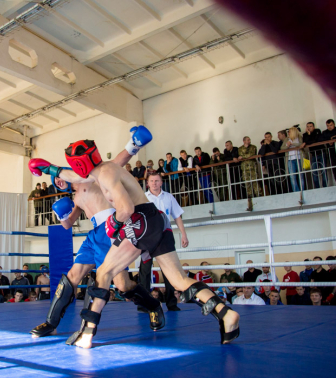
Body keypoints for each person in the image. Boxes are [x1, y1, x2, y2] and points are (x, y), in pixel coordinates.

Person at [31, 137, 239, 348]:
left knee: (104, 273)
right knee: (179, 280)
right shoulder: (97, 173)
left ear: (79, 164)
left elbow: (126, 208)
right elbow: (72, 176)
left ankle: (87, 333)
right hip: (156, 220)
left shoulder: (103, 175)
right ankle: (226, 313)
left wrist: (113, 223)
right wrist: (49, 169)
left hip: (137, 220)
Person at [30, 128, 164, 337]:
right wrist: (61, 215)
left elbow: (117, 162)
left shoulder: (92, 179)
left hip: (111, 229)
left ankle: (153, 305)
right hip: (93, 235)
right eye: (56, 181)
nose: (58, 181)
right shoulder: (76, 199)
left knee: (123, 285)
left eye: (60, 177)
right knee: (71, 277)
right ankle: (50, 323)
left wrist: (133, 146)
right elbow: (68, 225)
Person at [143, 171, 191, 312]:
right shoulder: (143, 197)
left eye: (157, 180)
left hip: (165, 237)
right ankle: (143, 304)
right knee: (145, 271)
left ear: (161, 182)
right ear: (147, 183)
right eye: (152, 181)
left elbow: (177, 217)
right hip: (147, 237)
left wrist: (183, 234)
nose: (154, 183)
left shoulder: (169, 197)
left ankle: (171, 303)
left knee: (169, 270)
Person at [303, 122, 328, 188]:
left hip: (321, 153)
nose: (309, 128)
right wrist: (308, 135)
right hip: (313, 155)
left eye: (310, 126)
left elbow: (317, 140)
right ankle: (317, 188)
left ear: (313, 127)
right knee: (314, 173)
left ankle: (325, 187)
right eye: (307, 126)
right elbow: (306, 142)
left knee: (324, 171)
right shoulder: (305, 135)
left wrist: (309, 140)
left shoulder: (317, 131)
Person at [285, 126, 307, 192]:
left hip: (299, 158)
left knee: (301, 175)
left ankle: (302, 191)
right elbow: (282, 148)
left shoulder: (299, 137)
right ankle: (296, 192)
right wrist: (287, 145)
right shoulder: (287, 139)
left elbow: (301, 144)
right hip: (290, 159)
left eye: (289, 132)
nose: (288, 133)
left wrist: (292, 143)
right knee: (292, 177)